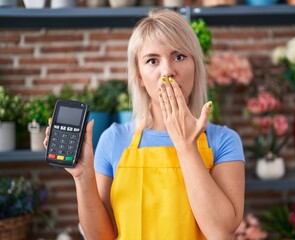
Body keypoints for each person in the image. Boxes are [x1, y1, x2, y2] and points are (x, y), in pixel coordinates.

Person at [44, 9, 245, 240]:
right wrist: (82, 177)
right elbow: (100, 237)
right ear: (139, 75)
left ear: (195, 65)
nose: (168, 71)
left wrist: (186, 145)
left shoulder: (224, 141)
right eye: (152, 60)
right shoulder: (113, 139)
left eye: (179, 56)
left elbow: (220, 232)